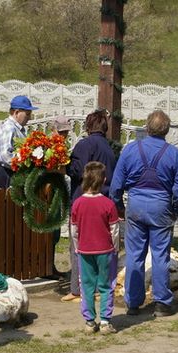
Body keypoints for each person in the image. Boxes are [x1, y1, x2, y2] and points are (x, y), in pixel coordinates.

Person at [110, 110, 178, 317]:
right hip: (162, 205)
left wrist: (119, 206)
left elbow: (116, 184)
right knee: (160, 255)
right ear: (167, 130)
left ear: (146, 128)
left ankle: (133, 303)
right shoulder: (175, 154)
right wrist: (175, 209)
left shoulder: (130, 150)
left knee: (135, 255)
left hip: (135, 203)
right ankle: (162, 302)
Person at [63, 110, 117, 302]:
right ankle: (97, 286)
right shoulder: (108, 148)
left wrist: (65, 164)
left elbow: (79, 170)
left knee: (78, 245)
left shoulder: (85, 145)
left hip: (85, 199)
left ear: (88, 126)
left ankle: (78, 288)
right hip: (105, 200)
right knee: (100, 245)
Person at [71, 162, 119, 334]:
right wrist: (115, 248)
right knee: (107, 285)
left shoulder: (77, 204)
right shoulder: (108, 204)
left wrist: (78, 247)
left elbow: (74, 230)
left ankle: (89, 321)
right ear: (104, 180)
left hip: (84, 250)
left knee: (87, 286)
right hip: (105, 250)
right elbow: (114, 230)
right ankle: (105, 321)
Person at [0, 95, 39, 189]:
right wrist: (24, 163)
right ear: (16, 112)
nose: (29, 118)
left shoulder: (18, 129)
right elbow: (5, 156)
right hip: (7, 175)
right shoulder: (9, 128)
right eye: (27, 114)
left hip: (13, 174)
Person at [49, 115, 73, 279]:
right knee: (51, 230)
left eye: (65, 132)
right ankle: (48, 266)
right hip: (50, 191)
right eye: (61, 131)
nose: (63, 136)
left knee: (55, 231)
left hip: (58, 189)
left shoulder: (61, 146)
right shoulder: (48, 146)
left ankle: (51, 265)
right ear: (53, 129)